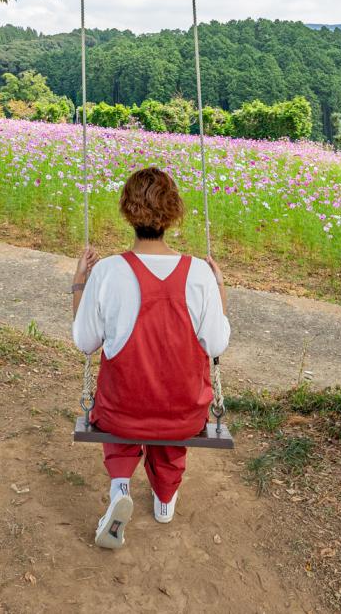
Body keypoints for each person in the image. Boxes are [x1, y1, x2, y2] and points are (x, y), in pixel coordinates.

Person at [70, 166, 231, 550]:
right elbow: (216, 345)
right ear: (173, 213)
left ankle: (120, 487)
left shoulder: (107, 271)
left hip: (120, 411)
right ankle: (164, 499)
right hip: (183, 415)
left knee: (124, 410)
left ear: (128, 212)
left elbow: (85, 342)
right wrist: (220, 286)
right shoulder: (199, 274)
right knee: (171, 427)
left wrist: (79, 282)